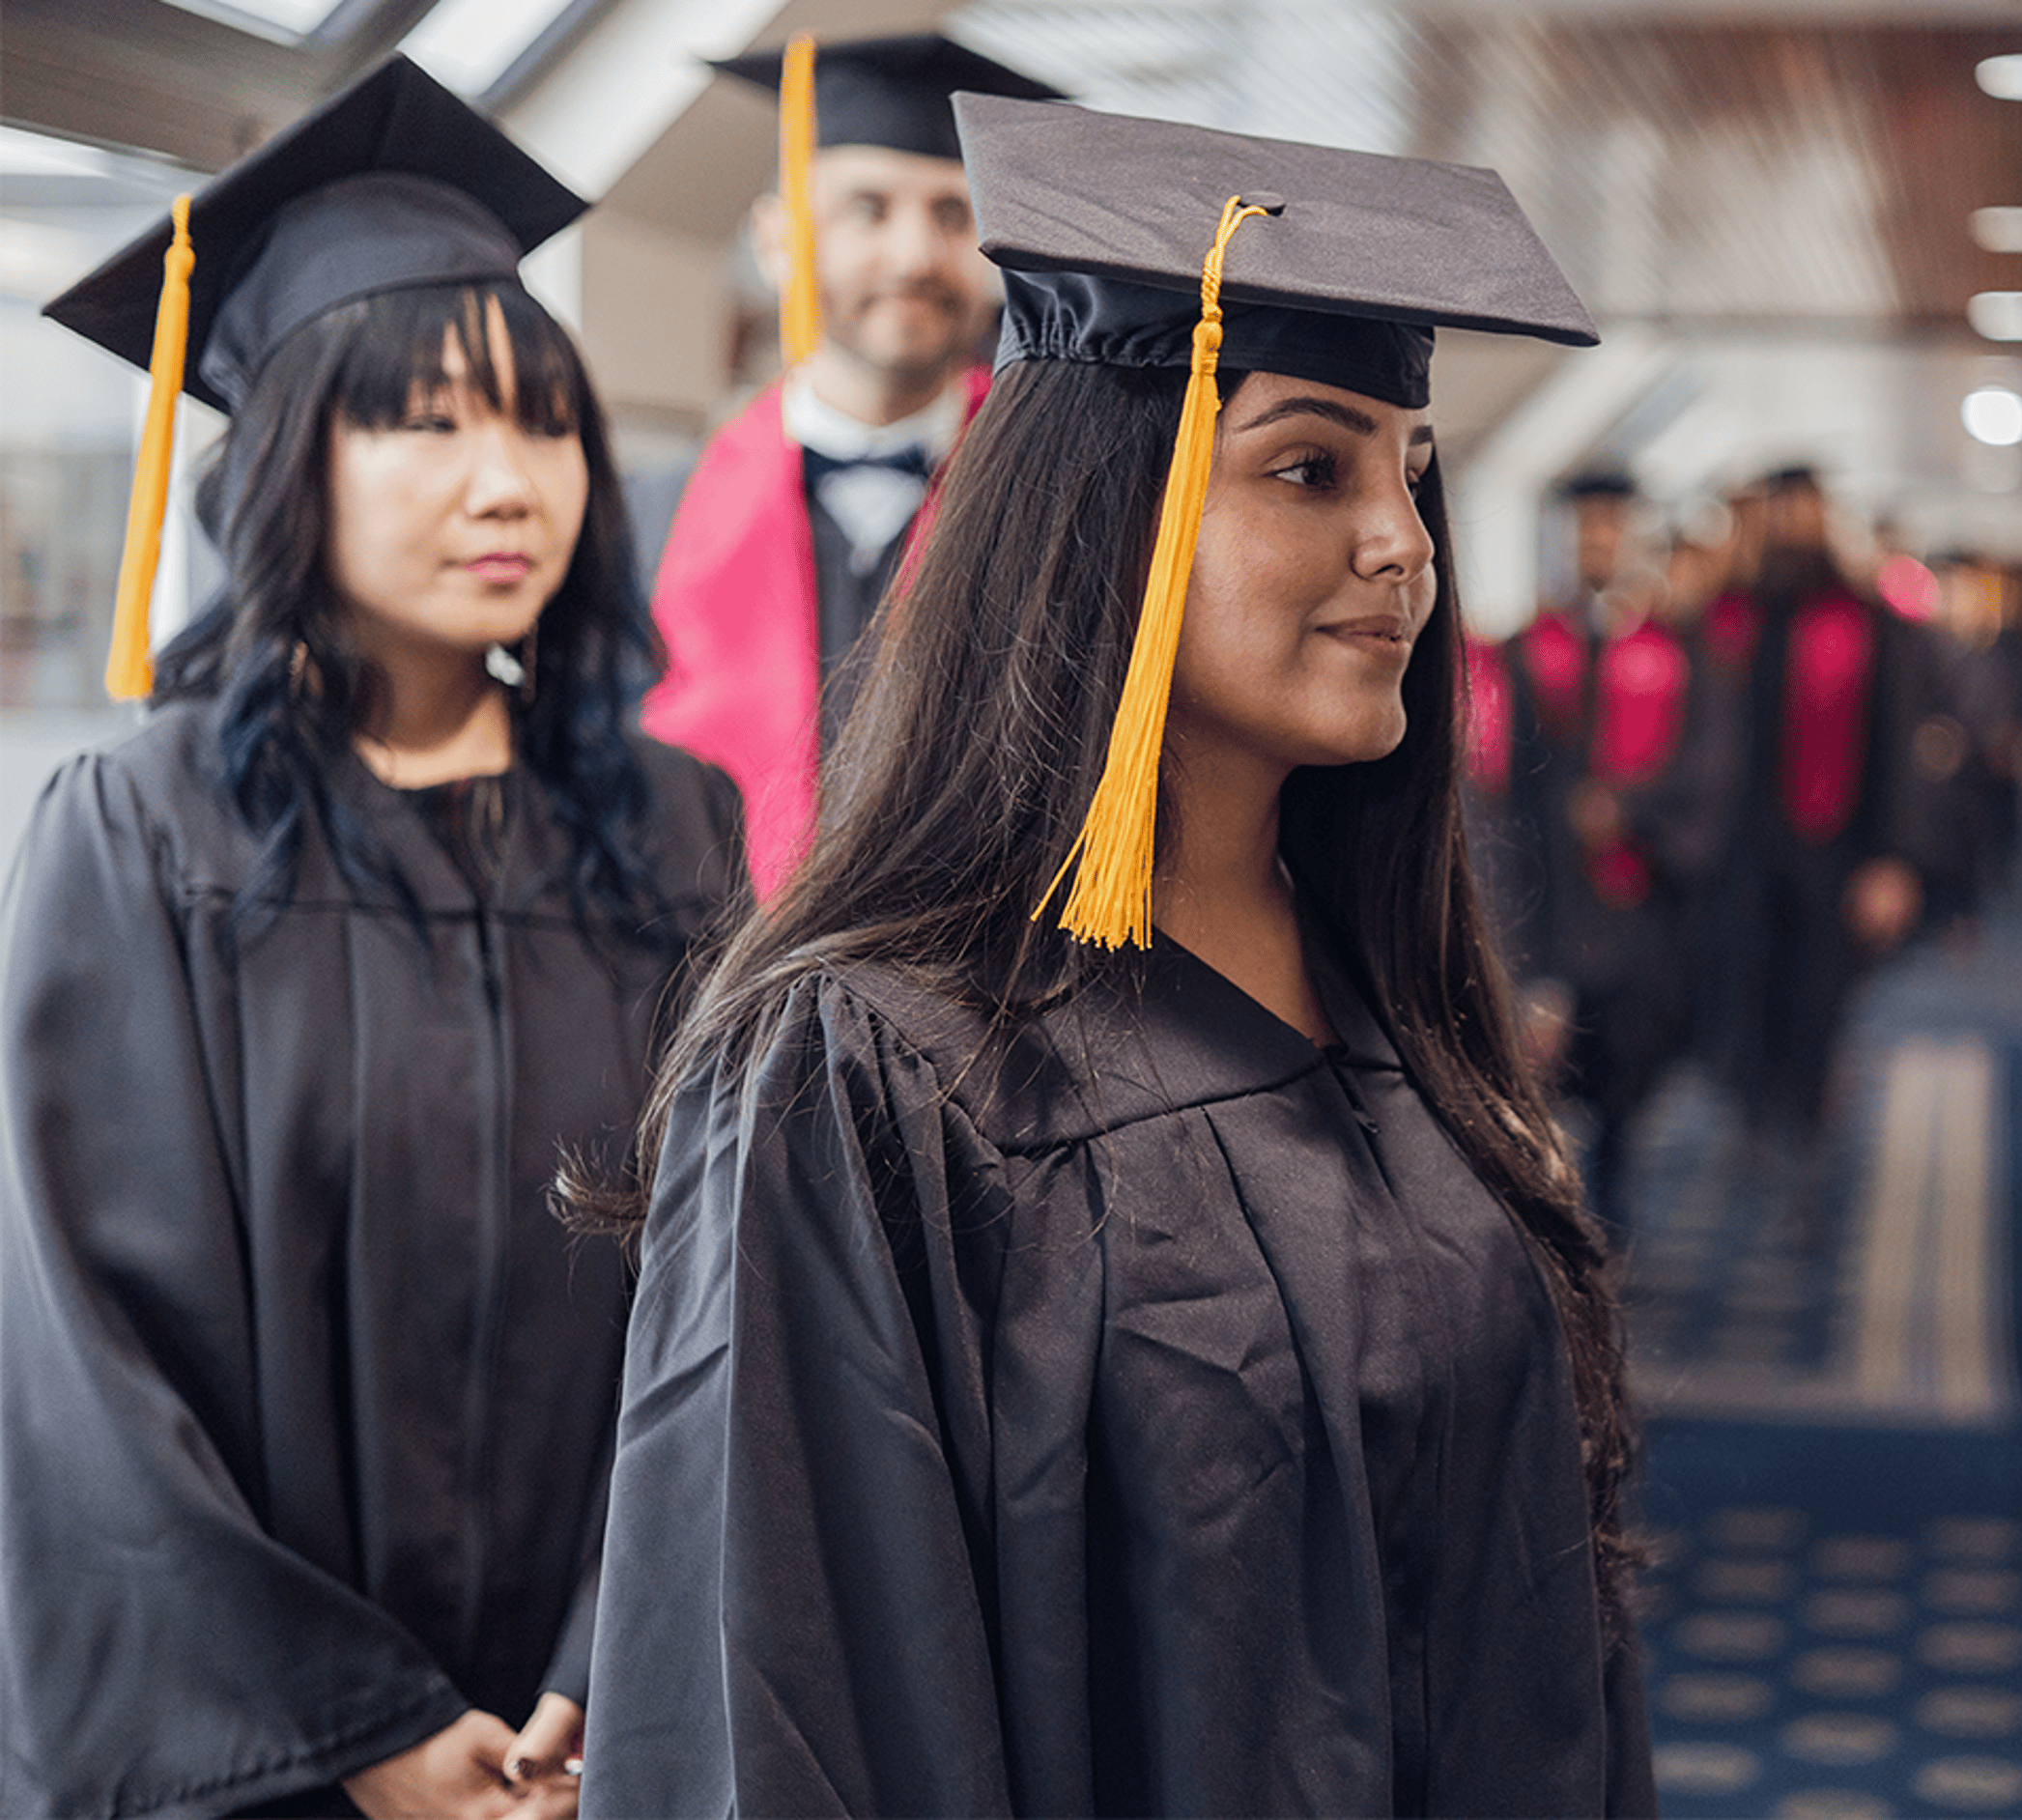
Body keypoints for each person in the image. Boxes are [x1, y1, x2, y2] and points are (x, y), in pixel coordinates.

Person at [579, 98, 1656, 1815]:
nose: (1405, 542)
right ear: (1109, 520)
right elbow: (794, 1719)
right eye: (1312, 465)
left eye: (1412, 467)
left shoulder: (1397, 993)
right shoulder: (875, 1073)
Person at [4, 59, 744, 1819]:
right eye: (425, 421)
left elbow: (733, 1280)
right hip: (274, 1758)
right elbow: (83, 1364)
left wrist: (601, 1663)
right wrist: (360, 1733)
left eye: (540, 419)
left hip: (600, 1734)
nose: (510, 481)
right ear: (280, 456)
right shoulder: (145, 837)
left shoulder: (669, 829)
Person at [638, 34, 1062, 893]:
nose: (913, 256)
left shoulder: (1061, 504)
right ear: (777, 239)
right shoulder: (647, 518)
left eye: (952, 214)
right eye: (868, 208)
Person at [1678, 465, 1948, 1169]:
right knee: (1745, 983)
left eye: (1804, 511)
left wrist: (1893, 859)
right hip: (1740, 847)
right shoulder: (1734, 613)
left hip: (1834, 845)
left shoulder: (1867, 619)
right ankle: (1756, 1118)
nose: (1791, 525)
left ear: (1825, 519)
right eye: (1780, 512)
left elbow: (1895, 744)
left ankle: (1803, 1130)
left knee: (1819, 994)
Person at [1467, 469, 1696, 1227]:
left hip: (1638, 906)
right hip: (1552, 897)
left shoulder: (1677, 654)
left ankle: (1617, 1190)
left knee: (1631, 1072)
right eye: (1585, 529)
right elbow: (1505, 786)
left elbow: (1708, 774)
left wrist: (1631, 812)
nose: (1598, 542)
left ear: (1632, 540)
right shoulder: (1530, 650)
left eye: (1611, 528)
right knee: (1543, 1073)